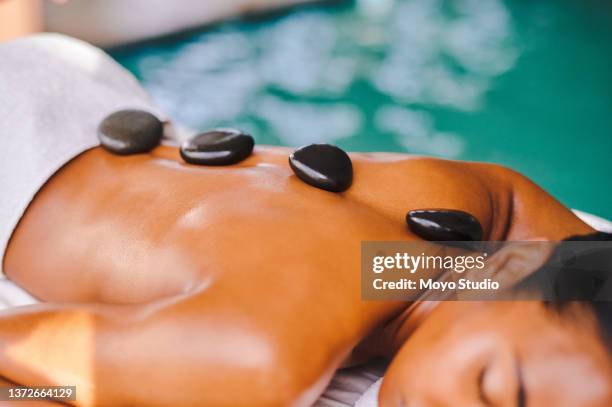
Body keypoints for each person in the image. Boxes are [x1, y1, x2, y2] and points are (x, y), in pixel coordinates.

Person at [0, 34, 609, 407]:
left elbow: (588, 258)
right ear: (518, 266)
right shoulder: (271, 357)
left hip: (77, 93)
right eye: (492, 389)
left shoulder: (491, 211)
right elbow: (52, 366)